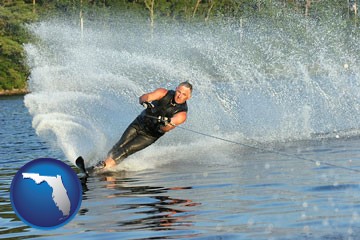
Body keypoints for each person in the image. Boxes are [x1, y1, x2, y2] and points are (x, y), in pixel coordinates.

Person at [90, 81, 193, 172]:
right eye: (179, 92)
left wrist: (165, 123)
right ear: (176, 89)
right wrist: (145, 102)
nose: (179, 96)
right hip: (139, 123)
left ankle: (103, 166)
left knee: (126, 150)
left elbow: (166, 129)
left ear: (188, 97)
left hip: (149, 135)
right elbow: (144, 97)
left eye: (184, 94)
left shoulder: (182, 114)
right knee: (120, 145)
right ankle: (104, 163)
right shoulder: (163, 93)